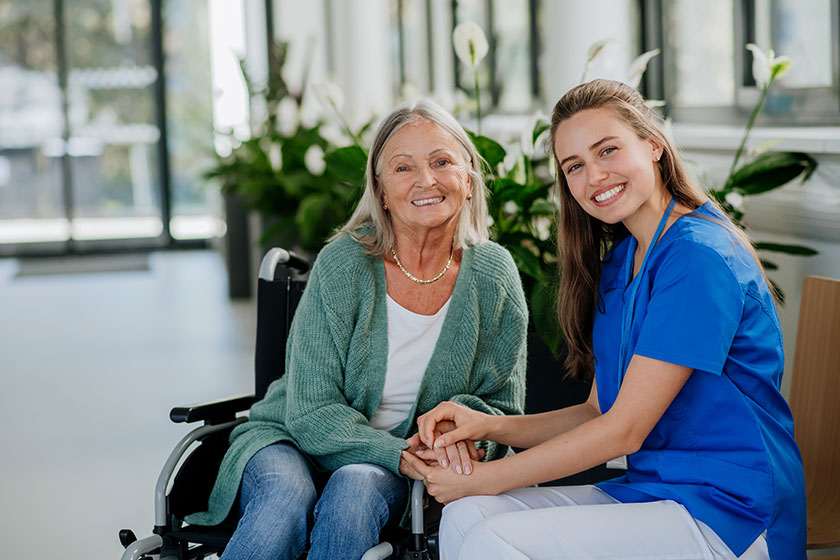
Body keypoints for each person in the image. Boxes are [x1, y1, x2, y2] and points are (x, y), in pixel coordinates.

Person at [403, 79, 806, 559]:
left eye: (608, 150)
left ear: (654, 145)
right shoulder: (623, 261)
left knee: (492, 535)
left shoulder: (698, 258)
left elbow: (624, 431)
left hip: (733, 513)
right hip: (655, 492)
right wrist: (487, 427)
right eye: (575, 166)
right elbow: (598, 411)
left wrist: (485, 477)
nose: (594, 176)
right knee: (469, 516)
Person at [185, 98, 528, 560]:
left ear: (467, 179)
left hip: (390, 463)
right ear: (382, 192)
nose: (426, 180)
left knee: (353, 492)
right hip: (289, 439)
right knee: (282, 501)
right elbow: (308, 409)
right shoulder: (345, 263)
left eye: (442, 162)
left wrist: (461, 438)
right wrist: (402, 456)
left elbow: (503, 408)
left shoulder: (493, 274)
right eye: (403, 168)